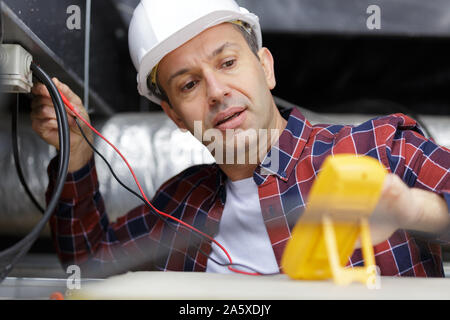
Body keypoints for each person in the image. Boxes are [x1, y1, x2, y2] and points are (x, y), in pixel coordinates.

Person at [30, 0, 450, 278]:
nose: (216, 91)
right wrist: (78, 154)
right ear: (174, 115)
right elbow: (88, 266)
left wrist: (413, 209)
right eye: (189, 85)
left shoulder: (378, 149)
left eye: (228, 62)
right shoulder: (179, 205)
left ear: (265, 68)